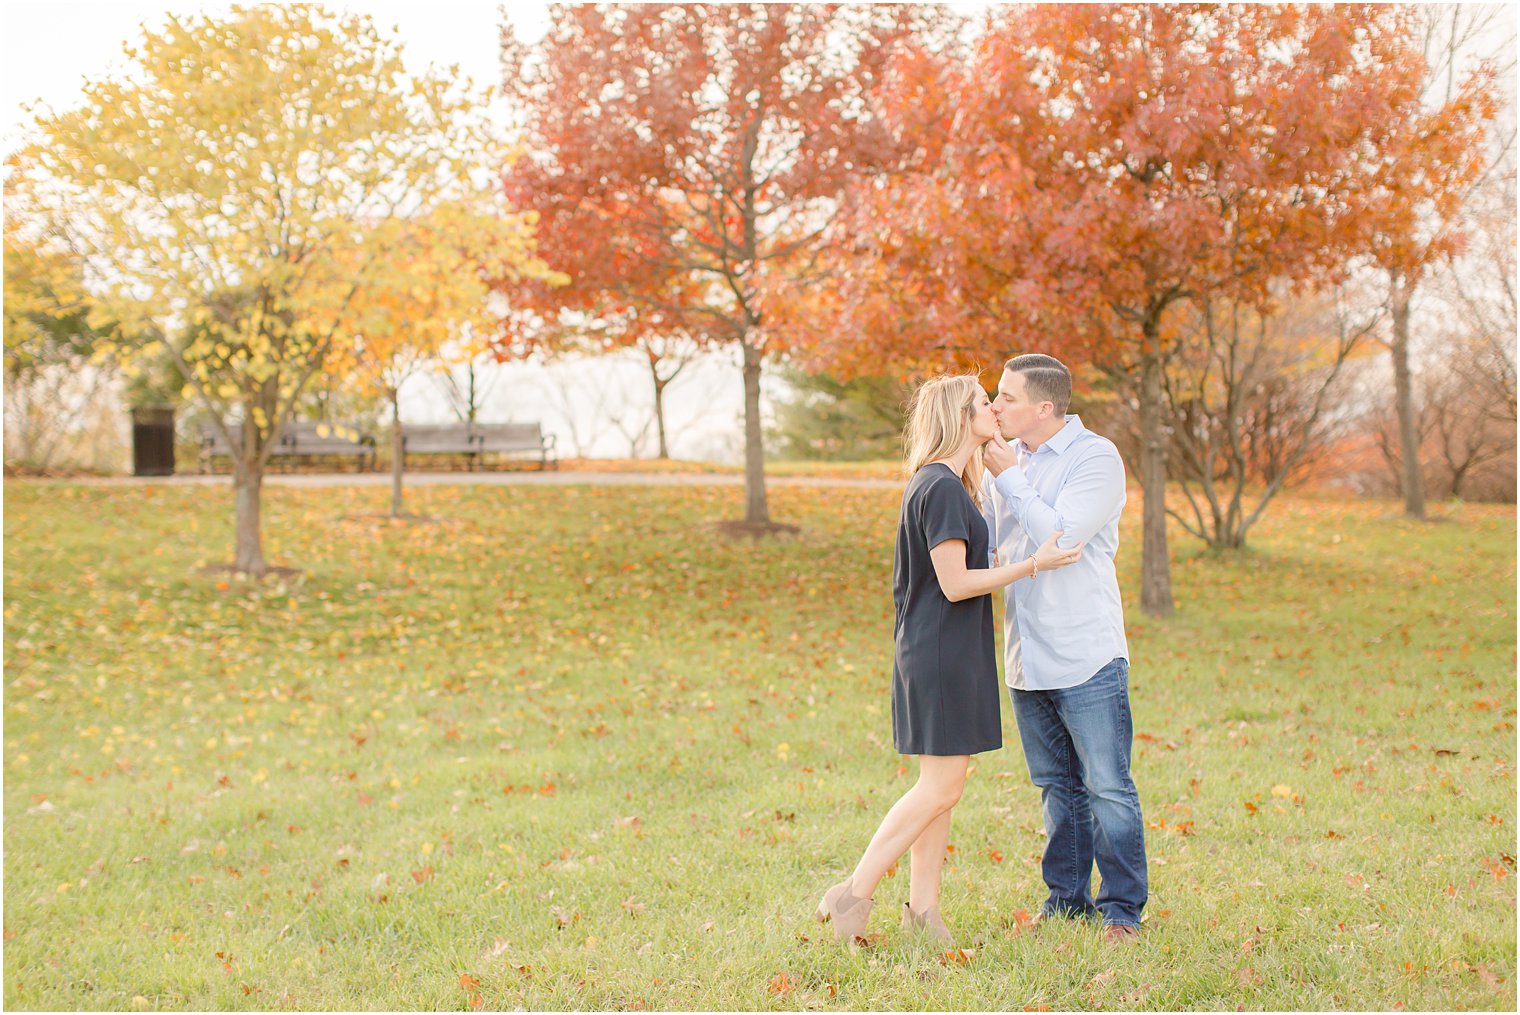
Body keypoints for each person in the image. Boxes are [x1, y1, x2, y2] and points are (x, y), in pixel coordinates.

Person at [814, 374, 1083, 946]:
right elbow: (956, 583)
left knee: (940, 789)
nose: (994, 408)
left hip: (947, 650)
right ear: (962, 416)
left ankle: (923, 913)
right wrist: (1032, 565)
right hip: (939, 653)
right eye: (985, 403)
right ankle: (852, 894)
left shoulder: (948, 484)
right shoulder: (937, 487)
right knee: (940, 789)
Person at [981, 353, 1148, 944]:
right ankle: (1066, 900)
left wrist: (1008, 479)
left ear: (1044, 408)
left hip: (1086, 652)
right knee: (1056, 787)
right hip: (1026, 653)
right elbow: (999, 548)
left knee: (1106, 784)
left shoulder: (1094, 458)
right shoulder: (1007, 460)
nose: (995, 406)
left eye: (1007, 398)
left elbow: (1062, 539)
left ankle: (1123, 910)